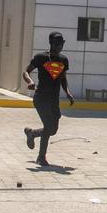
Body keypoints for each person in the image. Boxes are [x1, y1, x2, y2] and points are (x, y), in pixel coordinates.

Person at [22, 31, 74, 167]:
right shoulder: (41, 57)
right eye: (56, 44)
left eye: (61, 44)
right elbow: (26, 71)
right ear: (51, 43)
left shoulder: (63, 60)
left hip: (53, 100)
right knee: (48, 126)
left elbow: (62, 78)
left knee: (53, 130)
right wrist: (30, 81)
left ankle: (32, 133)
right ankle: (41, 157)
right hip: (41, 98)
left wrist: (68, 92)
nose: (59, 47)